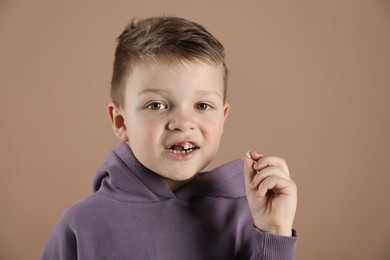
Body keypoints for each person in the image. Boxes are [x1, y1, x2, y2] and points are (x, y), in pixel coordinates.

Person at [41, 16, 298, 259]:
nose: (183, 123)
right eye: (156, 105)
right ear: (121, 121)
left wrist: (273, 233)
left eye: (203, 106)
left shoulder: (252, 217)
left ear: (223, 118)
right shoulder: (82, 225)